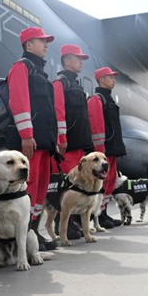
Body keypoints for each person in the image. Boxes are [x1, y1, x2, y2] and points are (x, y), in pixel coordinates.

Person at [6, 27, 59, 251]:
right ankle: (22, 237)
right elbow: (19, 102)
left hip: (44, 143)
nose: (46, 45)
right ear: (29, 45)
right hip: (31, 143)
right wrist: (26, 135)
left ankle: (33, 233)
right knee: (29, 187)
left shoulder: (40, 73)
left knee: (40, 189)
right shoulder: (21, 68)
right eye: (41, 41)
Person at [52, 44, 94, 239]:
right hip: (67, 145)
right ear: (67, 60)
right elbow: (59, 111)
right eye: (78, 59)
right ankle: (64, 226)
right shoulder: (60, 84)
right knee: (68, 186)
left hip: (80, 143)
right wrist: (62, 138)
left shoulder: (77, 85)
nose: (81, 63)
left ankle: (75, 223)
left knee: (79, 185)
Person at [88, 67, 125, 228]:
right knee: (102, 183)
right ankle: (97, 216)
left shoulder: (109, 99)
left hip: (112, 148)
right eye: (110, 77)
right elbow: (96, 126)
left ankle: (103, 213)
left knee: (110, 182)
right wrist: (100, 151)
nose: (113, 80)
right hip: (104, 150)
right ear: (101, 80)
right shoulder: (97, 99)